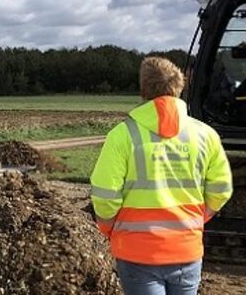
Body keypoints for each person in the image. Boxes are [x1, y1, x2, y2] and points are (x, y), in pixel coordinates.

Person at [91, 57, 233, 294]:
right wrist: (197, 218)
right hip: (186, 250)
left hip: (136, 253)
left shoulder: (122, 135)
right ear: (178, 86)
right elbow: (221, 189)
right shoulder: (205, 135)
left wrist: (108, 228)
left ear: (143, 89)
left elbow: (105, 197)